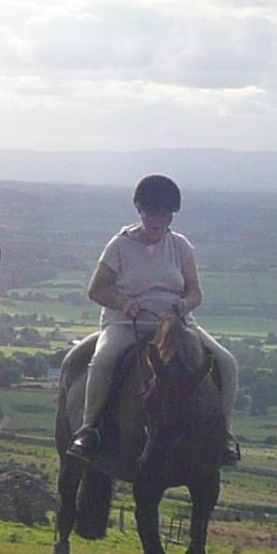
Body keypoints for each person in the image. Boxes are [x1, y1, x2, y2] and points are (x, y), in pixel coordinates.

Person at [68, 173, 242, 466]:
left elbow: (196, 291)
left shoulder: (181, 246)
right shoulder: (119, 246)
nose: (156, 219)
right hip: (127, 324)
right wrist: (124, 303)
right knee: (103, 360)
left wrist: (184, 305)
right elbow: (96, 290)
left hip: (177, 325)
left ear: (170, 217)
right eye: (151, 213)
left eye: (162, 214)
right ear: (140, 212)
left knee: (227, 363)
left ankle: (223, 435)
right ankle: (89, 429)